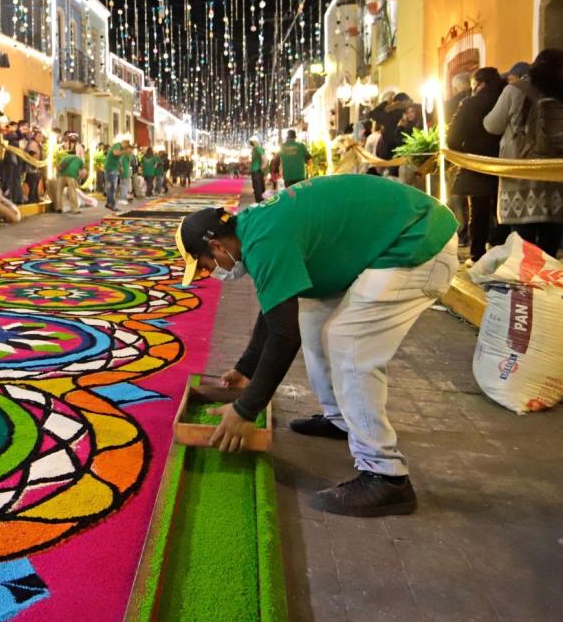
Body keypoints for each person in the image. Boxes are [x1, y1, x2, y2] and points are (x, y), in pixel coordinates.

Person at [175, 176, 459, 516]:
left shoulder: (265, 241)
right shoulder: (253, 228)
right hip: (398, 234)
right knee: (310, 316)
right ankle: (341, 419)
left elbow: (283, 337)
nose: (212, 273)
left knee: (348, 341)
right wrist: (247, 368)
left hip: (418, 241)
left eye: (206, 267)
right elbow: (277, 309)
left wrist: (245, 410)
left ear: (217, 246)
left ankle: (386, 476)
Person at [483, 49, 563, 257]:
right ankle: (548, 282)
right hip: (554, 176)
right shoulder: (559, 89)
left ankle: (526, 284)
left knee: (522, 243)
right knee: (550, 243)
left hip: (520, 172)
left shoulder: (515, 89)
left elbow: (493, 125)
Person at [450, 67, 507, 263]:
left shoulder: (469, 104)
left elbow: (453, 138)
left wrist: (462, 152)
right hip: (507, 163)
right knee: (503, 211)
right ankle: (504, 252)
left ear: (480, 84)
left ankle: (477, 255)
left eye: (473, 85)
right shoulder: (505, 99)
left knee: (478, 211)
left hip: (476, 164)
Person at [58, 148, 85, 214]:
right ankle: (75, 209)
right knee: (72, 191)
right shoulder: (78, 159)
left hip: (61, 174)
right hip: (71, 174)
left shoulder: (64, 158)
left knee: (59, 191)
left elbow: (59, 167)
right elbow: (82, 172)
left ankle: (59, 208)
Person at [103, 140, 123, 210]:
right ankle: (112, 205)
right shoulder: (117, 145)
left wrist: (121, 168)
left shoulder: (118, 148)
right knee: (112, 188)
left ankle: (108, 203)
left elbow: (118, 160)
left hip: (110, 170)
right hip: (111, 170)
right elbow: (116, 153)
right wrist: (124, 151)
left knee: (109, 187)